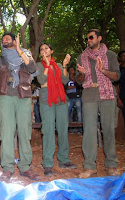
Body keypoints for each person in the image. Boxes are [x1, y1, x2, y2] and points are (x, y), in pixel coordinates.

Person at [0, 33, 40, 182]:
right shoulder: (2, 57)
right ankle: (8, 167)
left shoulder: (25, 54)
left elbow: (32, 68)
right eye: (3, 39)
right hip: (6, 97)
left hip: (23, 97)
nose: (4, 40)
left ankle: (25, 167)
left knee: (25, 132)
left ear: (14, 40)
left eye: (7, 38)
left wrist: (20, 51)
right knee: (7, 132)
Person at [76, 29, 120, 178]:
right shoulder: (82, 57)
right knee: (88, 130)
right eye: (87, 38)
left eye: (91, 37)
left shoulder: (111, 55)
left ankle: (111, 165)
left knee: (108, 129)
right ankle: (89, 166)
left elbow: (116, 76)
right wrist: (82, 74)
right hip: (89, 94)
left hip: (107, 93)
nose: (88, 40)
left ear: (99, 38)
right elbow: (78, 80)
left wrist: (103, 70)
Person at [36, 43, 77, 177]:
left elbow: (65, 80)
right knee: (48, 131)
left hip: (60, 98)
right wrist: (47, 66)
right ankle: (48, 163)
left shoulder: (58, 65)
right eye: (41, 49)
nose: (43, 51)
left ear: (52, 51)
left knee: (63, 129)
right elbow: (41, 79)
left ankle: (64, 159)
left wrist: (64, 65)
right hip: (46, 99)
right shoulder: (38, 65)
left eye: (46, 48)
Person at [65, 66, 83, 133]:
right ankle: (70, 129)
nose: (71, 72)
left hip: (77, 97)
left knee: (79, 114)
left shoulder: (77, 78)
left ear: (75, 71)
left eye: (72, 70)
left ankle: (79, 129)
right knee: (68, 113)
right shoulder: (66, 78)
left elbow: (79, 85)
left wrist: (73, 80)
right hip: (69, 98)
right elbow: (65, 87)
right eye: (69, 70)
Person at [117, 50, 125, 121]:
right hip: (123, 97)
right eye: (123, 56)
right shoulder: (118, 70)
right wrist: (118, 99)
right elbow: (116, 85)